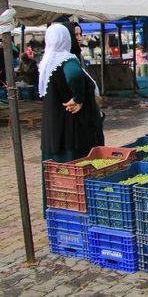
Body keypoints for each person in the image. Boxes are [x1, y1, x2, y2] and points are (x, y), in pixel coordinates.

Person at [40, 24, 104, 213]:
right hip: (71, 130)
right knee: (74, 169)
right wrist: (78, 98)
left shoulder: (47, 62)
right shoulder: (67, 60)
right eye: (73, 34)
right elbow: (74, 75)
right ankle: (79, 211)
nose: (78, 37)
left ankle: (58, 210)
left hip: (53, 130)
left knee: (56, 175)